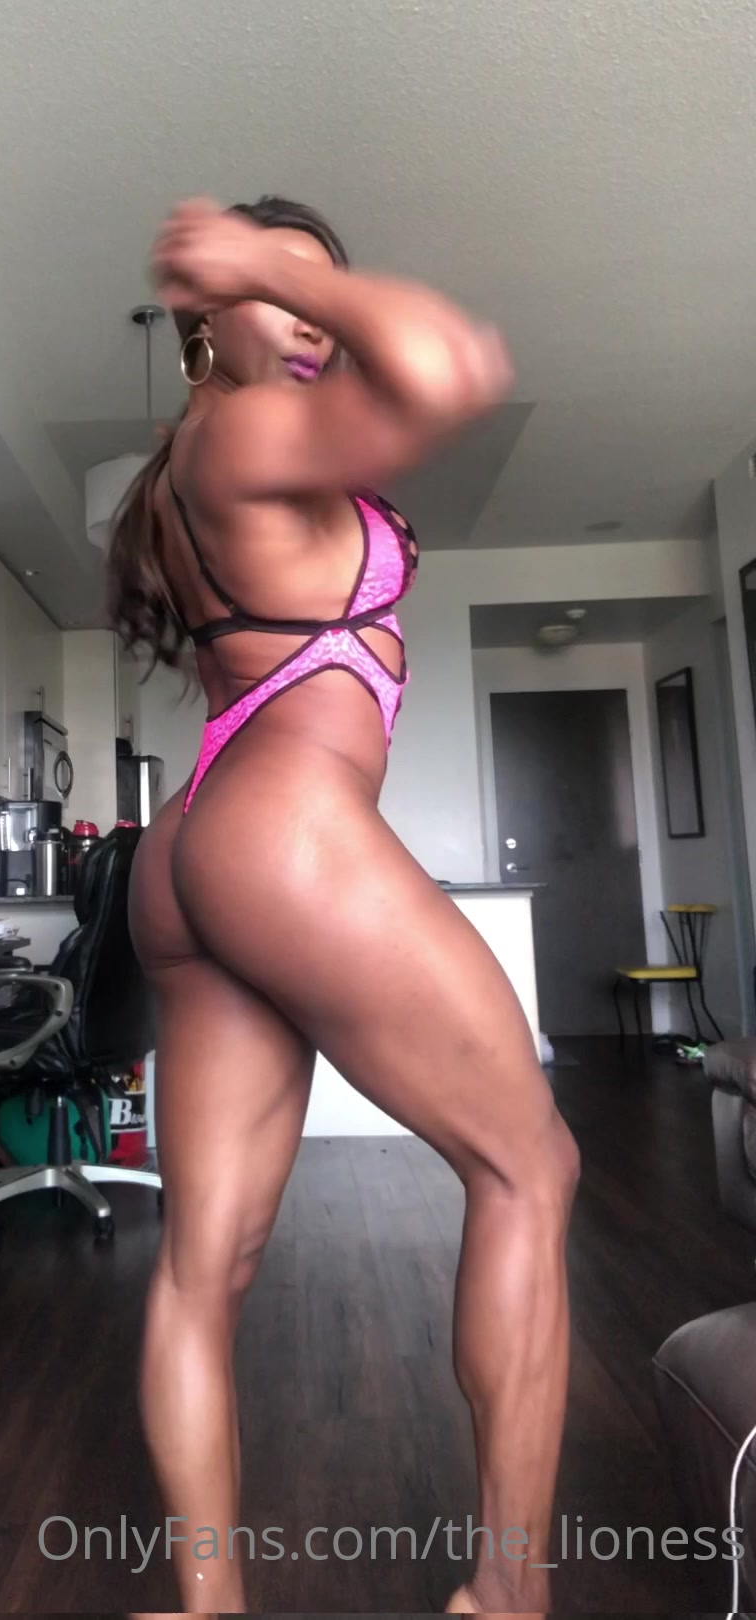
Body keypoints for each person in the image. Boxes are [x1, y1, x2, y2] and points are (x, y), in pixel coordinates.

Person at [110, 196, 580, 1619]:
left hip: (194, 848)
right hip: (281, 832)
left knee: (204, 1267)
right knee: (532, 1167)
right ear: (206, 318)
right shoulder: (246, 432)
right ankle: (510, 1596)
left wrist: (270, 279)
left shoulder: (188, 462)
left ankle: (207, 1605)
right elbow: (449, 369)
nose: (314, 316)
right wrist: (256, 263)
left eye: (329, 290)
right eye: (281, 291)